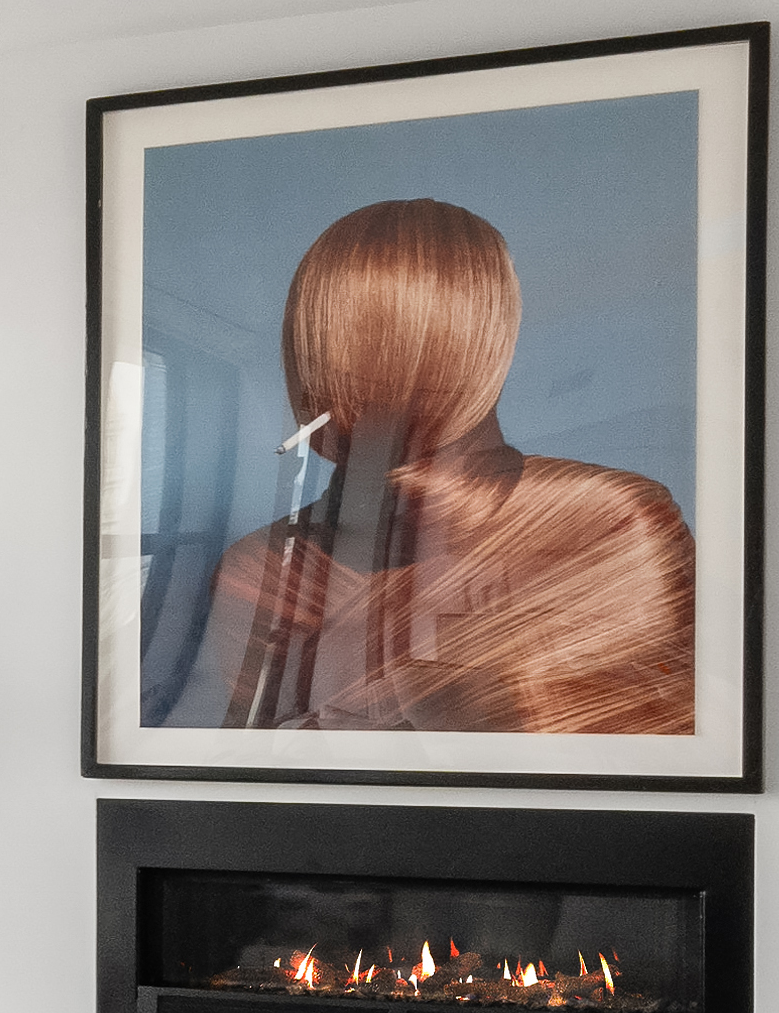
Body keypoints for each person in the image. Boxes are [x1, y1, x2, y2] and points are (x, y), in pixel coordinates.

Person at [202, 197, 690, 735]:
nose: (369, 375)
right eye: (338, 346)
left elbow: (662, 758)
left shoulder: (604, 522)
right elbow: (245, 775)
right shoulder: (261, 565)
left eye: (400, 346)